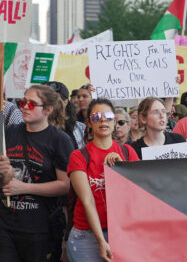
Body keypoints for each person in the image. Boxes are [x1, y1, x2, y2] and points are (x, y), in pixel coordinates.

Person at [0, 85, 74, 261]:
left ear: (48, 110)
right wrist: (6, 176)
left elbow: (65, 185)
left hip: (41, 228)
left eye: (32, 104)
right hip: (6, 224)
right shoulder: (8, 133)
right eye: (22, 102)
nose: (25, 107)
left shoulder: (59, 140)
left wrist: (24, 187)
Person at [66, 98, 139, 262]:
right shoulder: (79, 156)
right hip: (87, 236)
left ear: (115, 121)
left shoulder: (128, 152)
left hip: (122, 232)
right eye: (96, 117)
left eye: (107, 116)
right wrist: (101, 240)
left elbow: (137, 195)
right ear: (89, 123)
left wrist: (121, 167)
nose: (103, 120)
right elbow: (87, 201)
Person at [44, 81, 86, 149]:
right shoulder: (30, 127)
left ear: (65, 102)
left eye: (54, 99)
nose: (48, 103)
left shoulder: (80, 129)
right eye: (44, 99)